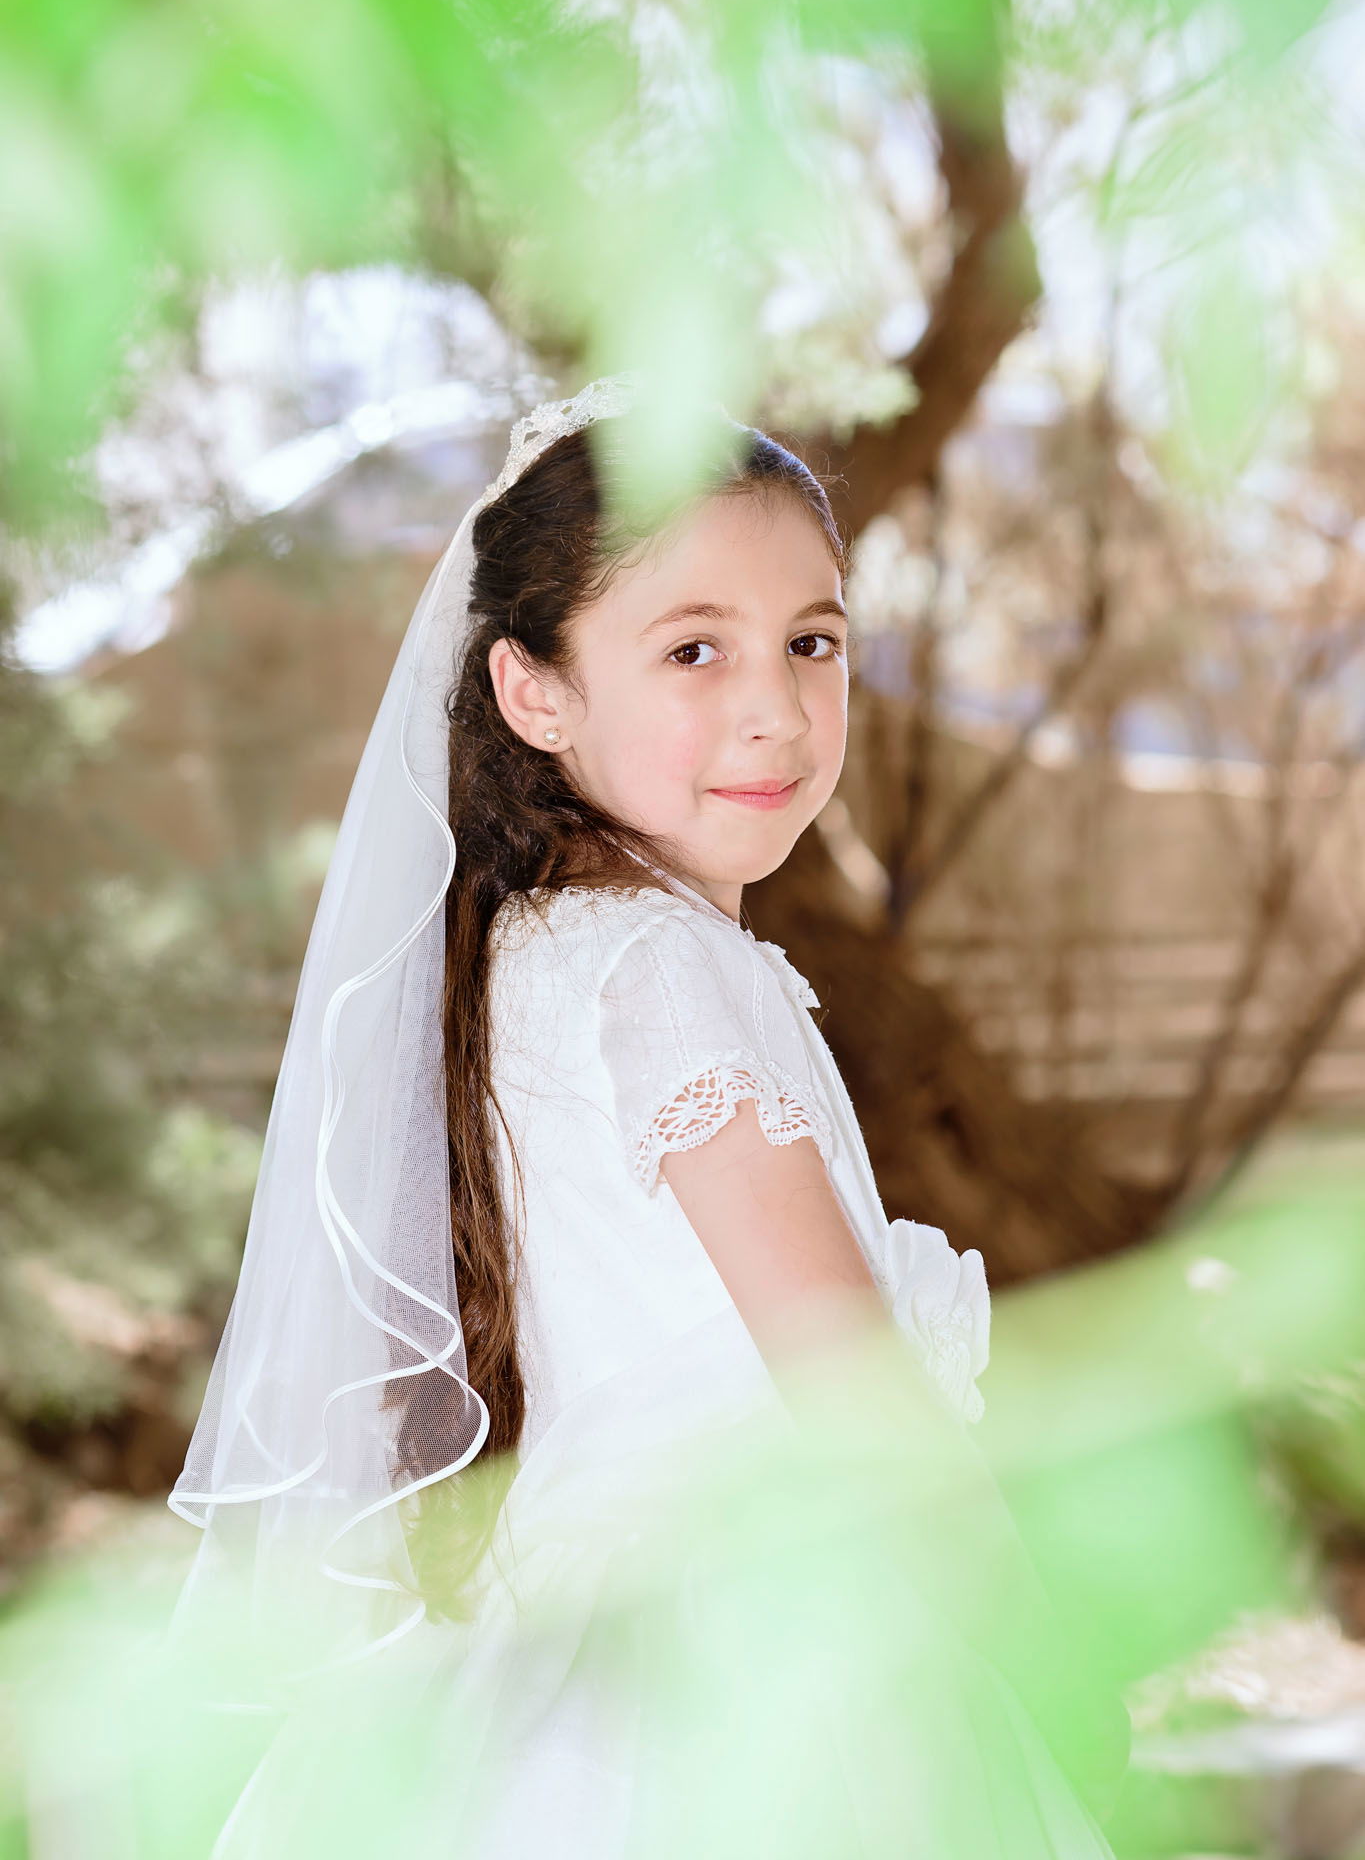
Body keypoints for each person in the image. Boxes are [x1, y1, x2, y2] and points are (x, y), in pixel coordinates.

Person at [168, 375, 1127, 1857]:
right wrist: (1045, 1657)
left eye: (813, 641)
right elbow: (852, 1391)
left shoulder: (531, 952)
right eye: (693, 647)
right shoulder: (665, 967)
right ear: (531, 690)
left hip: (541, 1682)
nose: (775, 706)